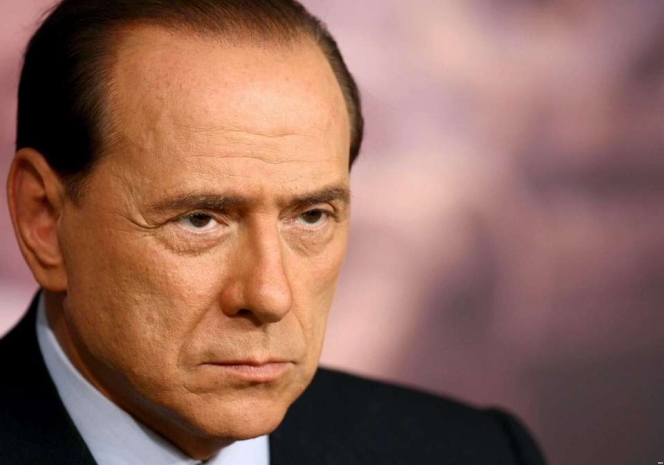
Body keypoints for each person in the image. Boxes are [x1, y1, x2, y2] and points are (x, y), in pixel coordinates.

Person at [1, 0, 547, 463]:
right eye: (200, 220)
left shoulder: (477, 452)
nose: (270, 296)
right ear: (42, 219)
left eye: (310, 216)